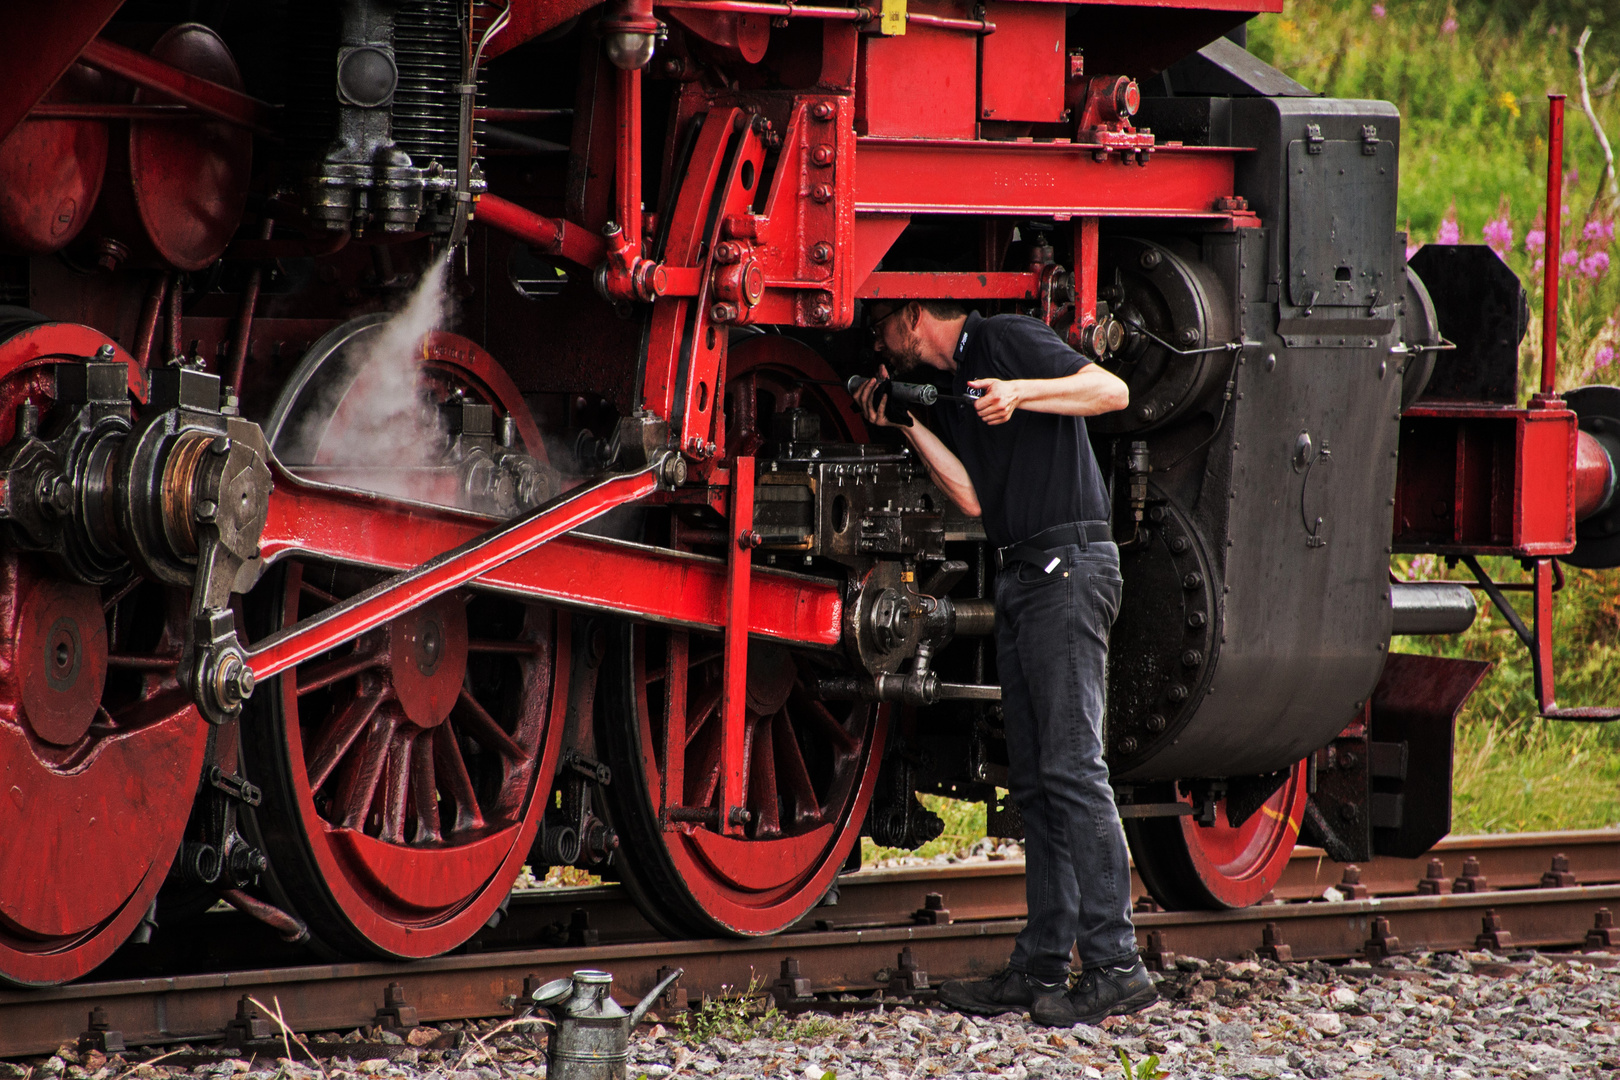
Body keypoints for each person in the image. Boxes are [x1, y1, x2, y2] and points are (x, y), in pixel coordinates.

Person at [852, 297, 1154, 1027]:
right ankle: (1043, 965)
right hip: (1024, 571)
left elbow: (1110, 390)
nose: (879, 347)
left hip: (1069, 568)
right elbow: (973, 498)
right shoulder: (954, 390)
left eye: (882, 330)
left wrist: (1023, 391)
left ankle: (1117, 965)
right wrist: (908, 422)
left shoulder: (1005, 339)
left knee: (1074, 769)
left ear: (915, 315)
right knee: (1040, 781)